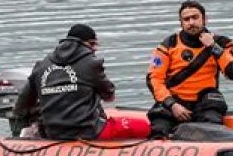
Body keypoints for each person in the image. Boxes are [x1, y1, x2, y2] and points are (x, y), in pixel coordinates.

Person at [11, 24, 150, 141]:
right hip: (89, 132)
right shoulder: (91, 64)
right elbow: (109, 96)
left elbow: (21, 105)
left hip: (52, 133)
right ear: (83, 43)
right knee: (144, 126)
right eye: (92, 43)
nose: (95, 48)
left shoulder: (42, 66)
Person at [145, 0, 233, 138]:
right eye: (186, 19)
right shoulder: (168, 45)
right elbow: (154, 79)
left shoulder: (223, 43)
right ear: (181, 23)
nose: (191, 22)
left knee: (213, 128)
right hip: (175, 102)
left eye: (195, 17)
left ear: (204, 19)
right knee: (159, 129)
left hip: (205, 103)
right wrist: (172, 104)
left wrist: (213, 47)